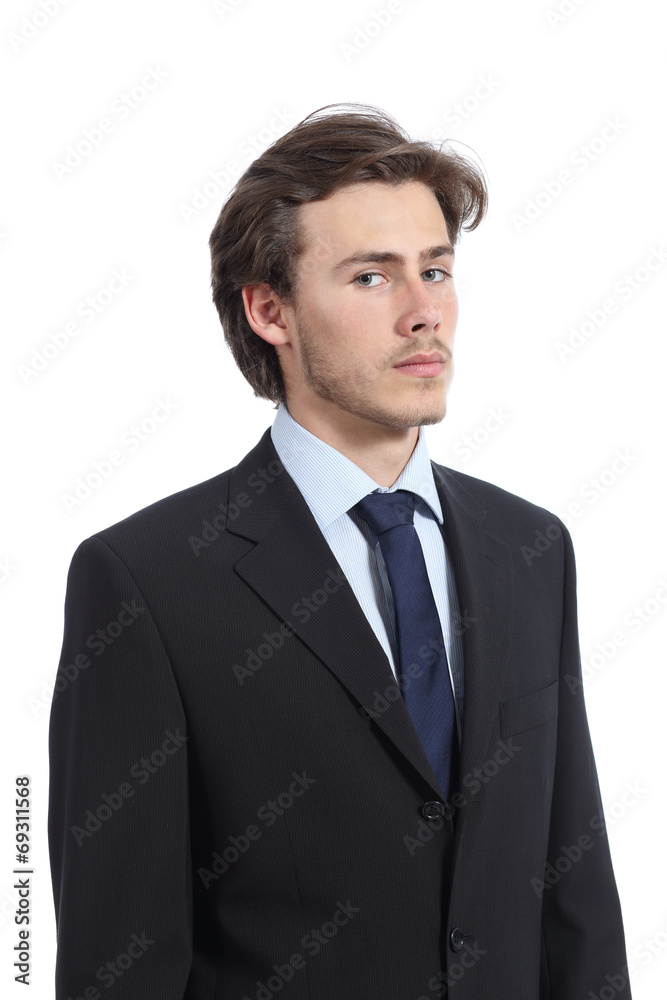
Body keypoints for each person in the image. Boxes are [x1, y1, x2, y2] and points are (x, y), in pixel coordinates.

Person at [48, 103, 632, 999]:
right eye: (370, 277)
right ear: (268, 310)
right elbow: (122, 961)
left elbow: (573, 901)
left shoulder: (530, 547)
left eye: (434, 270)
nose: (423, 313)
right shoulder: (147, 581)